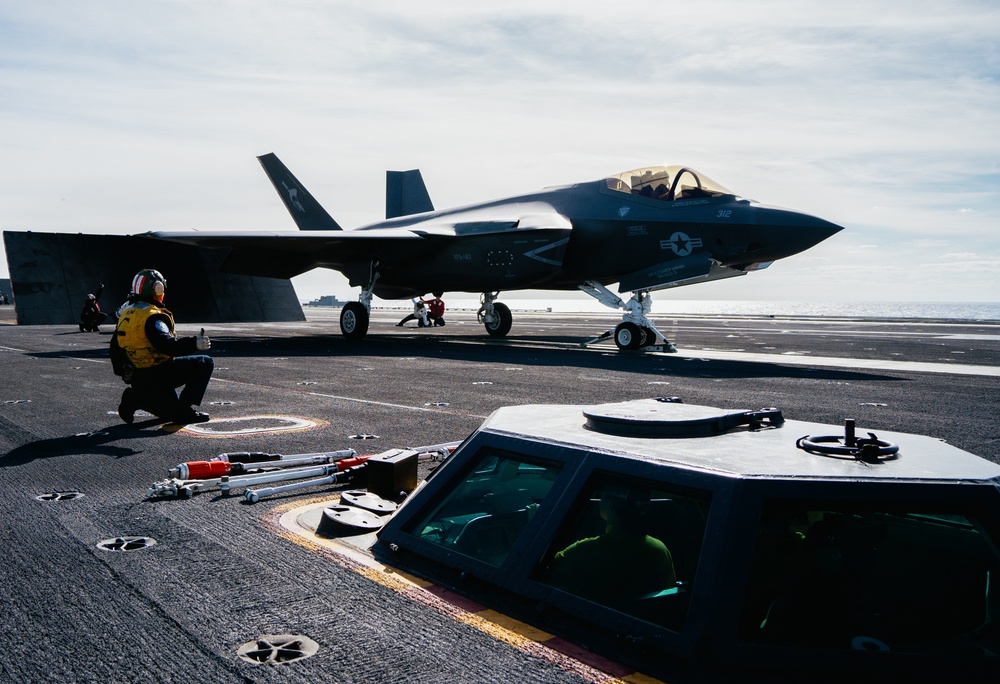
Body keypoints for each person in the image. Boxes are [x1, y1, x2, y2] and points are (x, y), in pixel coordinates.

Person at [112, 269, 214, 424]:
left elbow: (115, 347)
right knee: (205, 362)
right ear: (157, 288)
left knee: (170, 412)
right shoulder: (153, 316)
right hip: (158, 372)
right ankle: (185, 411)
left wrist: (121, 369)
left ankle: (134, 398)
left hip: (138, 376)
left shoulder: (127, 313)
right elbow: (167, 345)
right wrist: (193, 343)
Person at [549, 487, 676, 605]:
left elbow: (549, 571)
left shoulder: (583, 551)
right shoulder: (660, 549)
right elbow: (668, 593)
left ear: (609, 505)